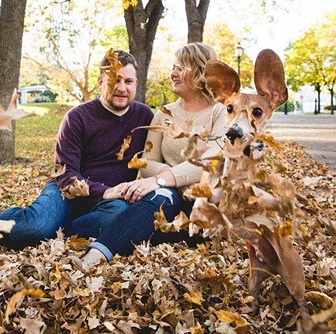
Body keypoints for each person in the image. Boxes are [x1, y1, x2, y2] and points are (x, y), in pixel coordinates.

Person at [0, 50, 154, 251]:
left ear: (136, 84)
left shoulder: (145, 118)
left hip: (107, 203)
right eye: (115, 80)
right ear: (100, 81)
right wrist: (105, 191)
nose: (121, 88)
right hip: (65, 193)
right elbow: (65, 174)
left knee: (120, 216)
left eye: (128, 81)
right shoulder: (77, 117)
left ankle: (54, 228)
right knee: (36, 226)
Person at [80, 43, 226, 268]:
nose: (173, 73)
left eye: (180, 67)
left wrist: (163, 179)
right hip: (169, 197)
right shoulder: (164, 114)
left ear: (200, 72)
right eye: (173, 66)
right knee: (160, 199)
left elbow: (212, 160)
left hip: (204, 200)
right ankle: (96, 255)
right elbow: (147, 161)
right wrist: (171, 180)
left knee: (155, 220)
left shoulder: (221, 112)